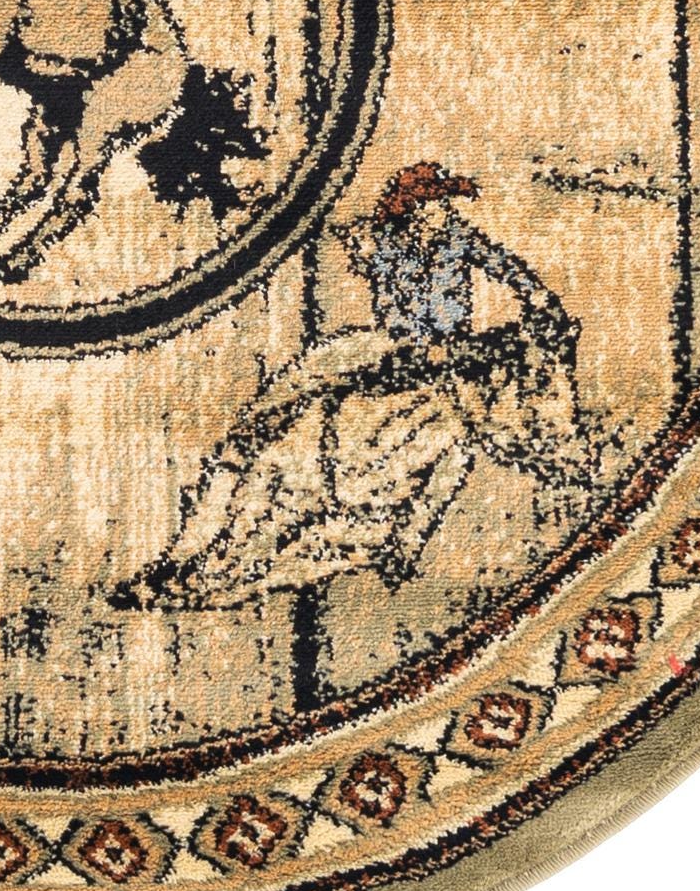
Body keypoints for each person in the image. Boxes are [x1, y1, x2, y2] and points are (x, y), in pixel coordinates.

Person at [116, 162, 592, 609]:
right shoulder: (388, 245)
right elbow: (385, 286)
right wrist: (365, 256)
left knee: (459, 439)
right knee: (317, 378)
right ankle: (267, 428)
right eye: (435, 204)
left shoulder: (458, 238)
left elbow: (508, 269)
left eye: (446, 203)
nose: (444, 211)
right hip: (392, 346)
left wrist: (540, 300)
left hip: (449, 351)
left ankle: (404, 540)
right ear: (414, 210)